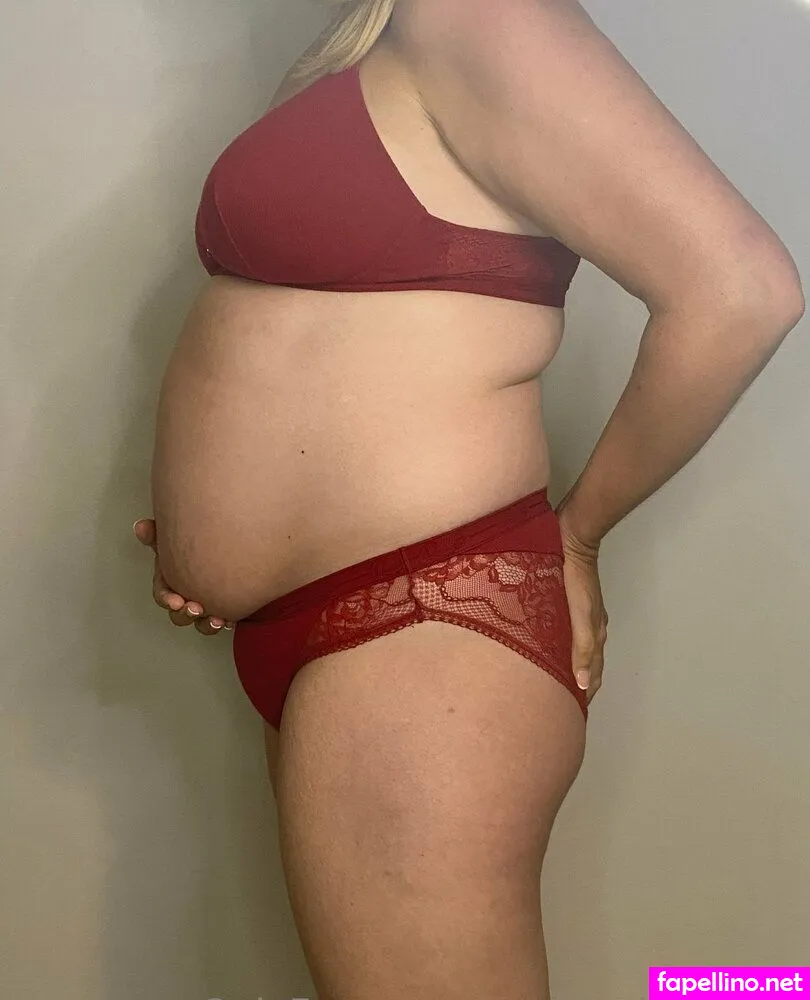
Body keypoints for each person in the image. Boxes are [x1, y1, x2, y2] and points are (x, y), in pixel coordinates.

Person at [132, 0, 804, 997]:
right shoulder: (387, 37)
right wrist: (218, 526)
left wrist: (581, 535)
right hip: (344, 632)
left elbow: (743, 291)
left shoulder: (483, 12)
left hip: (426, 622)